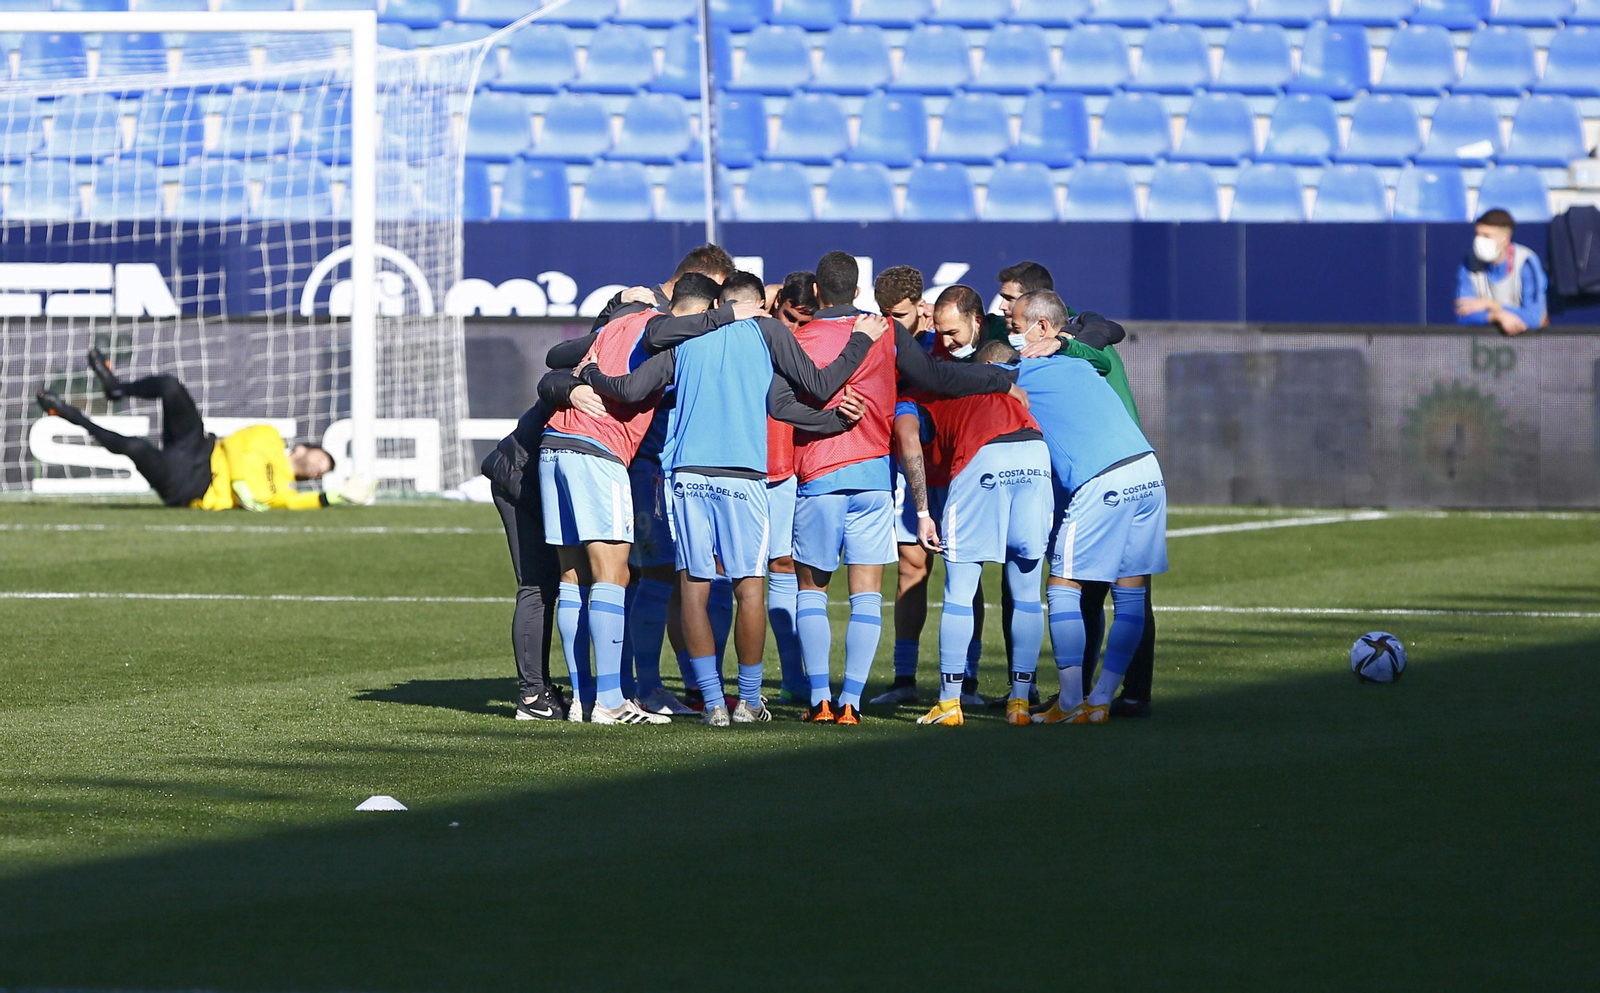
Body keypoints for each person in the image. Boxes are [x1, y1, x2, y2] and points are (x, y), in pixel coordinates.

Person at [578, 271, 882, 725]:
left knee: (693, 588)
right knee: (749, 588)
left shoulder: (687, 339)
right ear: (758, 304)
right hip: (744, 479)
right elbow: (804, 394)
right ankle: (750, 702)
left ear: (721, 304)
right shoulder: (768, 332)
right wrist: (850, 375)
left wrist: (589, 374)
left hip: (687, 477)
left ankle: (714, 703)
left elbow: (630, 389)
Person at [789, 251, 1021, 725]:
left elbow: (783, 399)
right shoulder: (886, 332)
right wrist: (1000, 378)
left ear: (815, 292)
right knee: (871, 591)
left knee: (812, 591)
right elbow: (936, 377)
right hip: (876, 474)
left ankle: (820, 700)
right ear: (859, 292)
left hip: (821, 472)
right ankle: (856, 700)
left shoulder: (796, 337)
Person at [537, 281, 758, 726]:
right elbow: (635, 384)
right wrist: (728, 316)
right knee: (613, 574)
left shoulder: (620, 322)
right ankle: (611, 702)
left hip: (555, 444)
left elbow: (558, 356)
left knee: (573, 576)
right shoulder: (660, 329)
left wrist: (577, 378)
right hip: (598, 449)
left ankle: (583, 698)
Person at [996, 291, 1169, 725]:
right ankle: (1101, 699)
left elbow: (964, 381)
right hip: (1147, 470)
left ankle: (1072, 699)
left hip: (1101, 479)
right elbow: (1103, 329)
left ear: (1041, 328)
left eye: (1014, 325)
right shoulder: (1081, 361)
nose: (1010, 331)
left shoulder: (1020, 372)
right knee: (1130, 591)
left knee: (1063, 586)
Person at [910, 339, 1053, 729]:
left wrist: (923, 512)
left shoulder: (925, 392)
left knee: (959, 588)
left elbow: (913, 440)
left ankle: (949, 702)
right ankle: (1020, 701)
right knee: (1027, 590)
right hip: (1034, 450)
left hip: (983, 453)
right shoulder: (1008, 388)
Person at [36, 348, 365, 511]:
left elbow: (305, 503)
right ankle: (117, 387)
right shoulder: (270, 436)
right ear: (305, 448)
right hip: (200, 446)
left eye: (324, 471)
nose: (320, 467)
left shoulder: (283, 491)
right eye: (323, 459)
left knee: (135, 447)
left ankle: (68, 414)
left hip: (191, 487)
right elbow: (234, 445)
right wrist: (238, 480)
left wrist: (339, 497)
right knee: (170, 387)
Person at [875, 275, 986, 709]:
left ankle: (968, 680)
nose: (893, 323)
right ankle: (904, 677)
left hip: (964, 474)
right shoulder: (904, 345)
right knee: (911, 568)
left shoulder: (986, 340)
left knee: (966, 574)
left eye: (899, 314)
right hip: (918, 470)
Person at [767, 271, 820, 704]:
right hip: (735, 468)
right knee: (720, 573)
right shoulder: (747, 328)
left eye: (805, 322)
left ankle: (793, 678)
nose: (796, 329)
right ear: (776, 302)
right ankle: (704, 686)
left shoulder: (815, 343)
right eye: (790, 317)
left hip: (784, 468)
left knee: (783, 565)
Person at [1456, 208, 1548, 336]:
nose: (1479, 241)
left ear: (1505, 239)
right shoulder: (1469, 263)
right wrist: (1497, 316)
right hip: (1484, 342)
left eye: (1486, 236)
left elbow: (1534, 318)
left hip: (1527, 340)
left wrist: (1490, 305)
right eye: (1477, 235)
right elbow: (1463, 314)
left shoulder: (1526, 263)